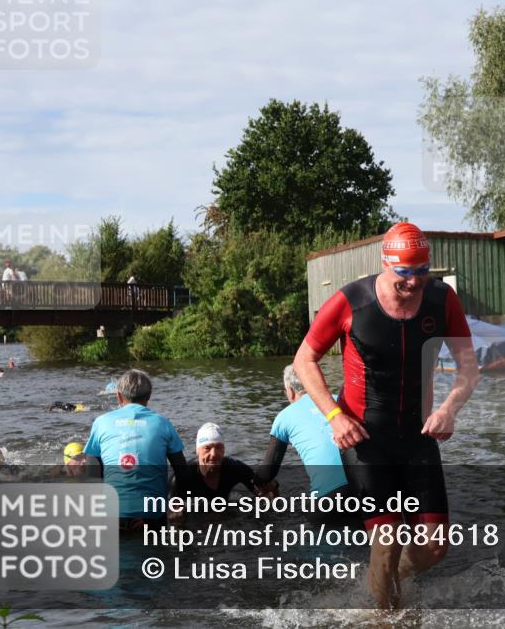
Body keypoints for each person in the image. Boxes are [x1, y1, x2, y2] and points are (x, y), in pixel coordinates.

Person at [293, 221, 478, 609]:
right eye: (405, 274)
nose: (414, 284)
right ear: (385, 263)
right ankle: (387, 617)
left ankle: (380, 579)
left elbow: (468, 367)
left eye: (423, 273)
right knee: (388, 539)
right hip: (364, 438)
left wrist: (449, 409)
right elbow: (305, 359)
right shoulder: (351, 301)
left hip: (417, 436)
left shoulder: (442, 300)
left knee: (434, 548)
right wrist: (334, 416)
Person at [254, 365, 357, 529]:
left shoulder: (285, 416)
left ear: (290, 391)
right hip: (366, 492)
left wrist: (263, 484)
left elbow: (266, 473)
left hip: (327, 504)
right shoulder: (340, 402)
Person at [84, 369, 187, 530]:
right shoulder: (162, 423)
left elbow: (91, 469)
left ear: (118, 396)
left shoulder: (101, 422)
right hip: (151, 517)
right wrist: (174, 506)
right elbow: (182, 472)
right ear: (149, 396)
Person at [170, 422, 255, 504]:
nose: (214, 454)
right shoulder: (182, 478)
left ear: (224, 450)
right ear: (197, 451)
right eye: (207, 448)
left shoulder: (236, 468)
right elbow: (169, 510)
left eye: (219, 447)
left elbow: (262, 492)